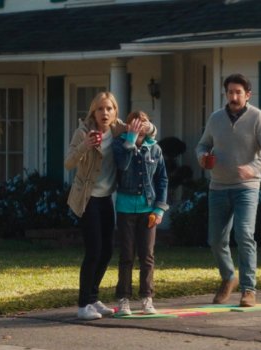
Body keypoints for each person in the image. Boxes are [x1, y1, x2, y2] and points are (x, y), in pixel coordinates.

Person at [64, 92, 156, 320]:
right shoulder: (83, 132)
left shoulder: (118, 129)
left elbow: (146, 131)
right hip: (87, 199)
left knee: (106, 251)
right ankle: (83, 304)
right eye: (100, 109)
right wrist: (85, 145)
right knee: (94, 250)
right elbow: (68, 163)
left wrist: (149, 127)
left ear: (115, 112)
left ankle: (93, 298)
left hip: (106, 198)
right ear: (93, 112)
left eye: (109, 109)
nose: (104, 113)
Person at [195, 73, 261, 307]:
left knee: (244, 234)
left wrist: (253, 168)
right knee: (215, 240)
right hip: (218, 186)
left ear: (247, 94)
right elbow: (203, 144)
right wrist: (203, 157)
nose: (233, 96)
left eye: (238, 92)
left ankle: (248, 289)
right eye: (230, 92)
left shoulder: (257, 117)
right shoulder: (215, 118)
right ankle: (229, 277)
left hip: (246, 188)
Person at [111, 111, 169, 316]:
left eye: (143, 123)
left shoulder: (155, 149)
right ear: (128, 126)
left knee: (147, 256)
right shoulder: (120, 145)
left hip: (148, 208)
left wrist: (160, 208)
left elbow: (162, 179)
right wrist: (130, 141)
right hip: (125, 208)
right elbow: (122, 166)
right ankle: (124, 299)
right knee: (126, 255)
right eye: (135, 123)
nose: (139, 126)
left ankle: (147, 297)